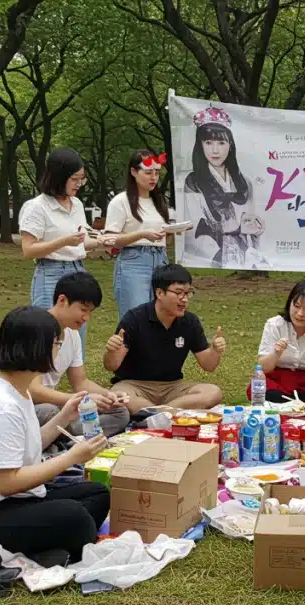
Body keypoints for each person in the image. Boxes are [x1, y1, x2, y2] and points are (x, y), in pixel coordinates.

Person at [0, 307, 111, 564]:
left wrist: (64, 416)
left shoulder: (17, 389)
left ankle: (52, 549)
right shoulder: (0, 406)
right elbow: (7, 483)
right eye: (57, 343)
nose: (59, 349)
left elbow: (28, 447)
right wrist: (70, 457)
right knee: (75, 517)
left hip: (16, 500)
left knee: (97, 494)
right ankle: (54, 549)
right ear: (38, 347)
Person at [103, 264, 225, 412]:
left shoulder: (190, 321)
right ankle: (169, 413)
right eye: (179, 293)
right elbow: (111, 366)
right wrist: (111, 351)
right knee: (120, 396)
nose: (184, 299)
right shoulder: (134, 318)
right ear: (159, 293)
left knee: (213, 392)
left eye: (188, 293)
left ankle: (155, 412)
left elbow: (208, 366)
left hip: (172, 387)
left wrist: (215, 351)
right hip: (134, 385)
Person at [29, 272, 131, 438]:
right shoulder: (36, 329)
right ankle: (66, 436)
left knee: (119, 412)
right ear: (62, 300)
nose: (86, 318)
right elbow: (33, 391)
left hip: (56, 407)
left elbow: (80, 382)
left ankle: (64, 437)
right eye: (83, 310)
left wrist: (107, 396)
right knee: (49, 412)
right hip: (31, 406)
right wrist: (78, 401)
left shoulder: (72, 334)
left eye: (90, 311)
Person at [20, 148, 106, 320]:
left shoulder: (77, 204)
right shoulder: (37, 207)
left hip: (78, 270)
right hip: (51, 273)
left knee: (77, 328)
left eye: (82, 179)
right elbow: (28, 250)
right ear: (58, 177)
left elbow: (81, 241)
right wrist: (63, 241)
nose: (79, 183)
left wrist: (101, 241)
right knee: (50, 331)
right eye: (74, 179)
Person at [183, 107, 264, 268]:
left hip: (244, 250)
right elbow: (193, 227)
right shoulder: (193, 182)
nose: (215, 150)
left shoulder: (244, 182)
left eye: (221, 142)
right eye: (208, 143)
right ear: (200, 146)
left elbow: (251, 217)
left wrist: (255, 228)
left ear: (230, 145)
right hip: (213, 251)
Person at [104, 149, 173, 319]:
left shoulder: (160, 201)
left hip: (161, 259)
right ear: (134, 172)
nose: (154, 177)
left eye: (157, 173)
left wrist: (172, 232)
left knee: (162, 316)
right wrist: (140, 235)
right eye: (148, 172)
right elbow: (109, 241)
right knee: (136, 317)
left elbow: (165, 239)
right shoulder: (121, 202)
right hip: (134, 261)